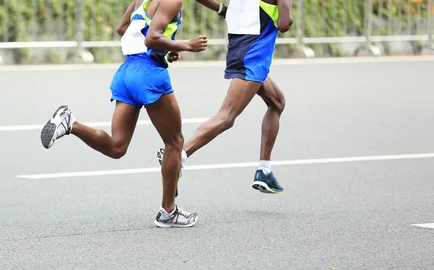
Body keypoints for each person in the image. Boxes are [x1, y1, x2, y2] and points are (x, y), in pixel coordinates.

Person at [39, 0, 208, 228]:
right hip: (148, 74)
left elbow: (123, 28)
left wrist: (167, 50)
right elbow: (151, 38)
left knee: (117, 146)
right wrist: (185, 45)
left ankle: (71, 123)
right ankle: (168, 211)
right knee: (175, 142)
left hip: (127, 71)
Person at [158, 0, 293, 194]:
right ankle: (178, 154)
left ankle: (264, 170)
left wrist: (221, 9)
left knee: (277, 102)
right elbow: (283, 24)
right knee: (226, 117)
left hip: (241, 49)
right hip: (253, 55)